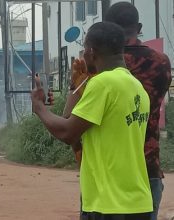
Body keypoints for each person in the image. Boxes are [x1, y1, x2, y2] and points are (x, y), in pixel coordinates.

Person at [31, 22, 153, 219]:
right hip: (139, 204)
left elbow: (67, 133)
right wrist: (75, 86)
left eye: (83, 51)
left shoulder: (103, 84)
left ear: (90, 52)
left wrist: (39, 107)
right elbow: (72, 124)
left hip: (108, 205)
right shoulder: (136, 87)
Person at [105, 3, 172, 219]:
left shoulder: (102, 65)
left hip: (109, 171)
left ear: (107, 29)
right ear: (139, 27)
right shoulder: (161, 62)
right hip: (148, 165)